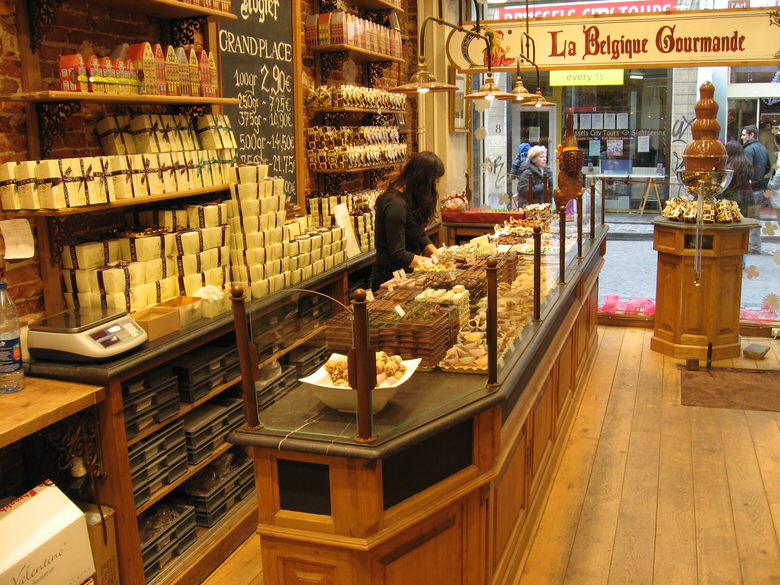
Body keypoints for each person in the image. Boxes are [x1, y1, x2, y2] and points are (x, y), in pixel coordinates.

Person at [371, 151, 443, 290]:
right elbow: (398, 254)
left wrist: (437, 255)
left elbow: (418, 234)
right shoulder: (395, 205)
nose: (434, 188)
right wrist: (433, 264)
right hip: (390, 280)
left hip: (408, 275)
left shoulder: (409, 198)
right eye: (434, 182)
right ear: (423, 181)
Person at [741, 124, 771, 253]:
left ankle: (748, 245)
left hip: (750, 188)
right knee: (755, 217)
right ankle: (755, 246)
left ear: (751, 135)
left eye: (743, 134)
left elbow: (745, 170)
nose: (741, 137)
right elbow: (768, 168)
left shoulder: (748, 150)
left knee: (746, 217)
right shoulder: (763, 149)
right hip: (759, 186)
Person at [722, 140, 754, 217]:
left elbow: (727, 186)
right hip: (748, 195)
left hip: (734, 198)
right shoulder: (747, 163)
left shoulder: (729, 167)